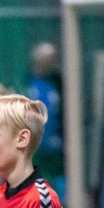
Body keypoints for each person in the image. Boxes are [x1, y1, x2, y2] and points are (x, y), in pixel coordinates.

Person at [26, 44, 65, 198]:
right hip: (35, 146)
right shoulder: (28, 83)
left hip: (55, 146)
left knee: (59, 179)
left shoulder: (57, 84)